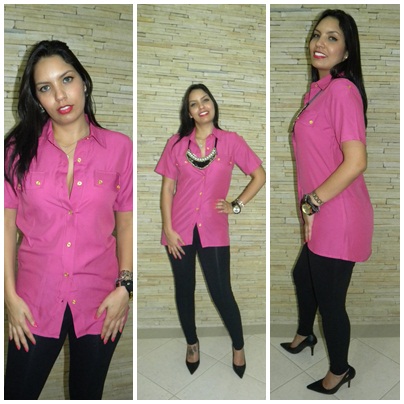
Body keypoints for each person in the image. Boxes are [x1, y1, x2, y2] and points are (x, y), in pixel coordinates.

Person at [4, 40, 133, 400]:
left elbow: (125, 222)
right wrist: (9, 297)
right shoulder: (16, 151)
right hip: (33, 302)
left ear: (84, 82)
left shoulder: (119, 147)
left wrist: (126, 288)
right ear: (37, 98)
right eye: (45, 88)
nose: (60, 95)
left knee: (87, 394)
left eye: (67, 79)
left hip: (101, 301)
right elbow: (6, 226)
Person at [280, 9, 373, 395]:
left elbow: (356, 161)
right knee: (303, 276)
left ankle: (340, 370)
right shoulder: (315, 94)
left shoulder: (342, 91)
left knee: (331, 301)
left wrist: (311, 204)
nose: (319, 43)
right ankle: (305, 334)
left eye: (332, 37)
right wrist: (310, 208)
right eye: (317, 35)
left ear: (347, 52)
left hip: (339, 213)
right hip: (321, 211)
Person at [155, 83, 265, 378]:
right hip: (178, 230)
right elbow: (167, 189)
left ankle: (238, 346)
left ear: (213, 104)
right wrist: (168, 228)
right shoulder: (176, 144)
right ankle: (192, 344)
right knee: (184, 289)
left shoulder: (231, 142)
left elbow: (259, 175)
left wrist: (236, 205)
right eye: (193, 103)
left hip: (214, 229)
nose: (201, 106)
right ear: (189, 113)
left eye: (205, 100)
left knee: (221, 291)